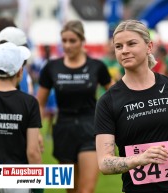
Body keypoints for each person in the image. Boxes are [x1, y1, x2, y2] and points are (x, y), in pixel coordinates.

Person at [95, 20, 168, 193]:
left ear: (149, 47)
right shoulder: (108, 101)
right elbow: (105, 163)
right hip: (140, 188)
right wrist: (139, 159)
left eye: (131, 43)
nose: (124, 50)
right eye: (118, 46)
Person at [36, 20, 114, 193]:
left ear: (82, 41)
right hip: (64, 129)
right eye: (64, 41)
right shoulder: (51, 68)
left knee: (86, 190)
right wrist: (35, 132)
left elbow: (115, 95)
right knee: (71, 190)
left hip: (91, 128)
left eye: (72, 40)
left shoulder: (96, 66)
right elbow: (39, 103)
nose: (68, 45)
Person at [0, 41, 42, 193]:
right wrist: (39, 186)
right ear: (20, 71)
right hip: (17, 175)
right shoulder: (30, 103)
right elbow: (33, 152)